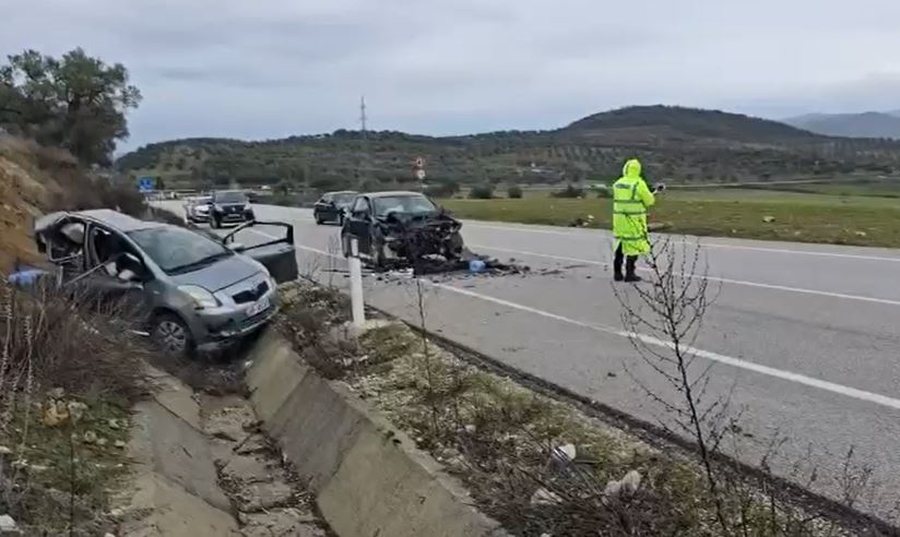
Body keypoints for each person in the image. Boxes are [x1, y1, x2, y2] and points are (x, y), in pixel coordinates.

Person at [611, 158, 655, 282]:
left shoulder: (618, 183)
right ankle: (630, 274)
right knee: (633, 246)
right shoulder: (638, 184)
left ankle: (617, 273)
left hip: (619, 220)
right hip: (634, 220)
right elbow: (649, 201)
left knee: (620, 245)